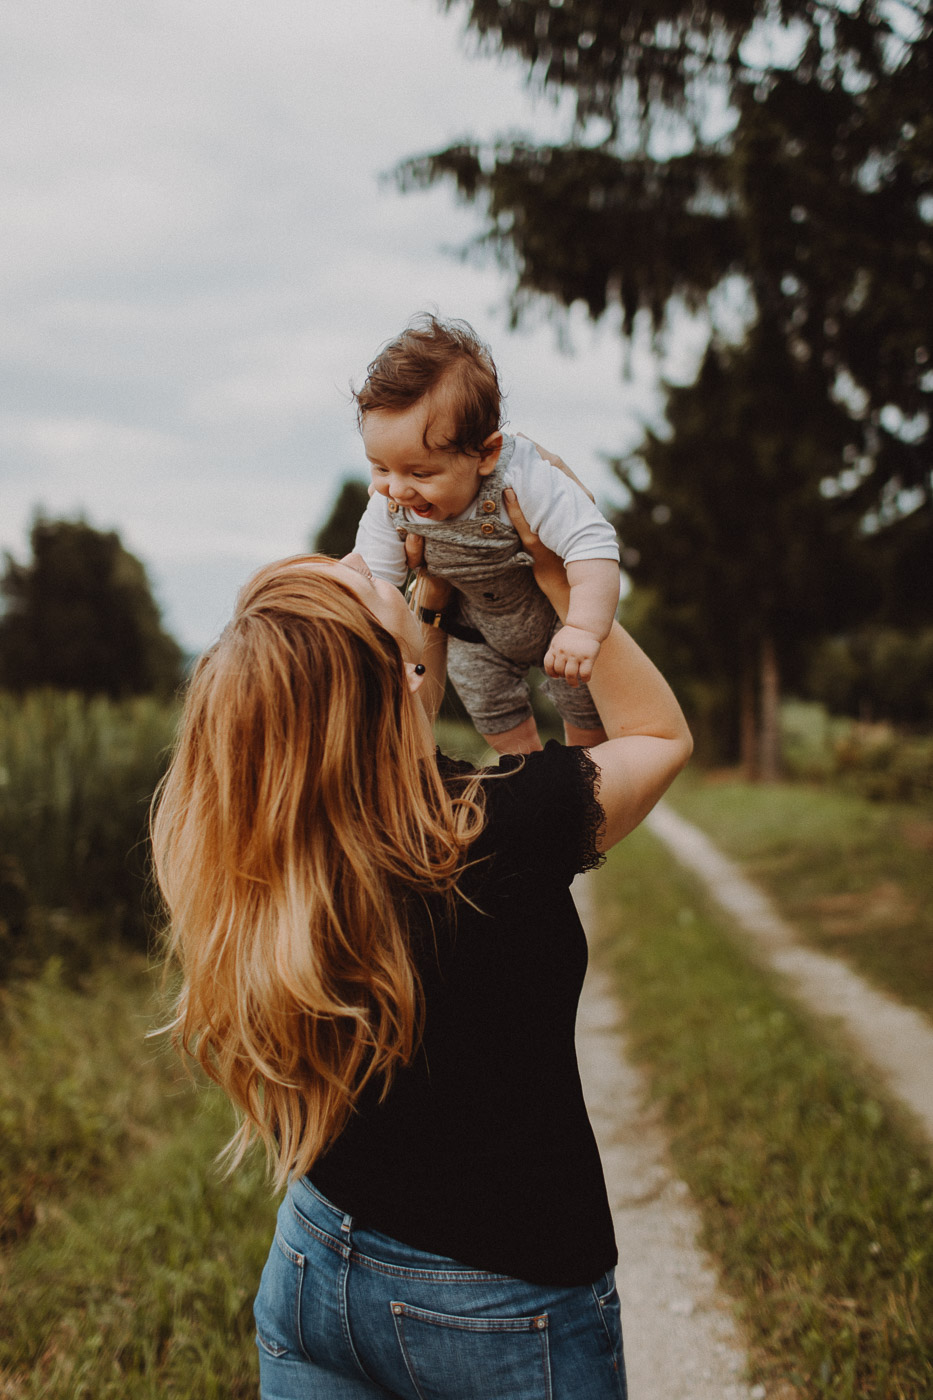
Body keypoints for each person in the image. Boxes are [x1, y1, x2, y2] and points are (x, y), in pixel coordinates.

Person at [150, 488, 692, 1400]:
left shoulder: (264, 857)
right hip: (501, 1304)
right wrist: (557, 575)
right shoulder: (495, 833)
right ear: (381, 689)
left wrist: (430, 608)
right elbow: (660, 734)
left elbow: (392, 718)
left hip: (319, 1264)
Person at [353, 313, 622, 754]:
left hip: (556, 615)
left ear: (486, 453)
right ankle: (525, 770)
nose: (397, 488)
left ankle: (587, 770)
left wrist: (583, 629)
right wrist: (393, 653)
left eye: (420, 472)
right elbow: (377, 584)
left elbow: (591, 543)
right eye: (381, 468)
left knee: (585, 700)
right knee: (488, 704)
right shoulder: (389, 504)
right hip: (474, 627)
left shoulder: (524, 477)